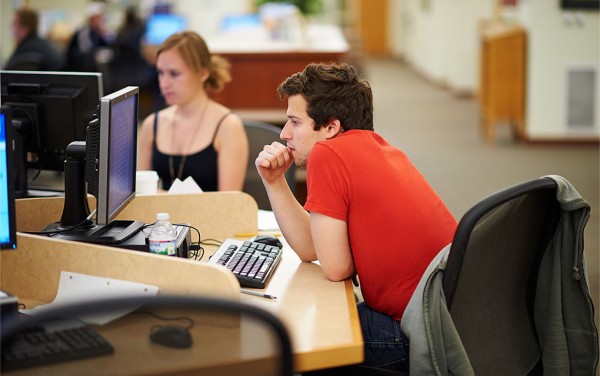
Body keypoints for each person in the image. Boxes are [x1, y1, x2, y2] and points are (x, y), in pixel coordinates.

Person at [255, 62, 458, 372]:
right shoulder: (380, 148)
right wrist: (275, 182)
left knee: (294, 338)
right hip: (447, 322)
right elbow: (313, 249)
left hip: (414, 334)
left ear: (330, 127)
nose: (284, 134)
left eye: (295, 122)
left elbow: (336, 268)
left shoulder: (327, 154)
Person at [138, 31, 248, 192]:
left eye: (174, 74)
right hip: (160, 217)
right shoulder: (151, 124)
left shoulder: (227, 126)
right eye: (160, 73)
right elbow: (140, 193)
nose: (164, 83)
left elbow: (228, 203)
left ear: (203, 73)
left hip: (211, 216)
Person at [64, 1, 108, 72]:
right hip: (78, 68)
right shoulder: (83, 32)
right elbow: (86, 52)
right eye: (98, 19)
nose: (100, 21)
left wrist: (102, 34)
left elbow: (104, 47)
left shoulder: (96, 32)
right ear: (91, 19)